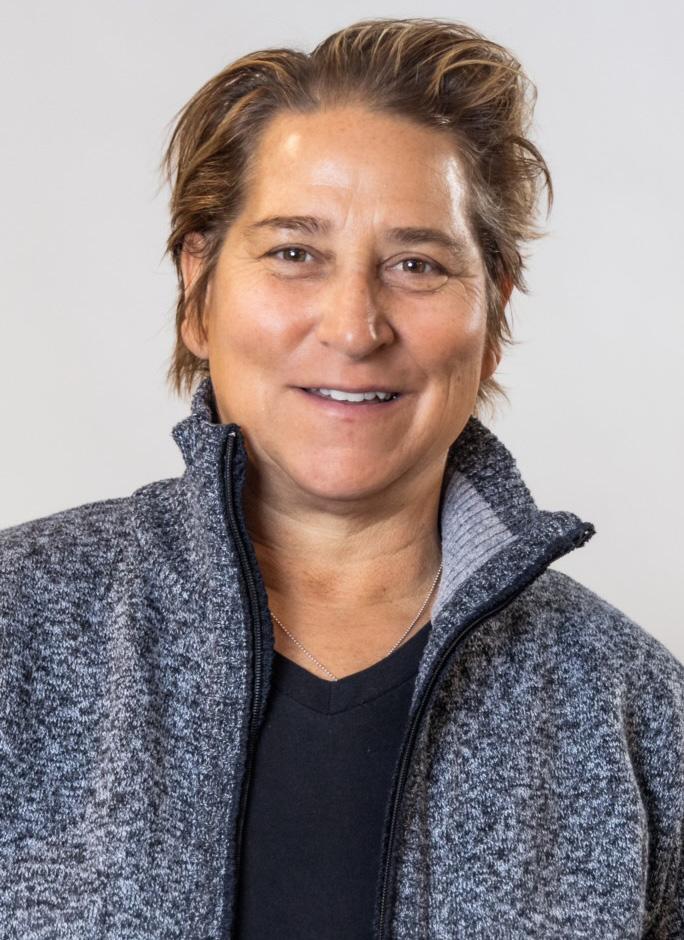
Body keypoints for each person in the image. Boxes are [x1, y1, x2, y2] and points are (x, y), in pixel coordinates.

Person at [0, 15, 682, 940]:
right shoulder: (19, 625)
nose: (355, 328)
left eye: (417, 264)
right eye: (295, 253)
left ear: (494, 313)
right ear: (198, 288)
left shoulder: (637, 714)